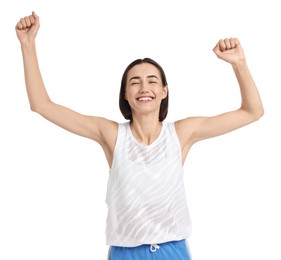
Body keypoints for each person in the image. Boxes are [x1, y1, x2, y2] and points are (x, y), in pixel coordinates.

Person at [15, 11, 264, 260]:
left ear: (164, 91)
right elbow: (42, 105)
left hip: (172, 251)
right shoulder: (111, 134)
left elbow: (252, 112)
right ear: (125, 93)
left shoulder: (182, 133)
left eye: (152, 81)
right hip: (125, 253)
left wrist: (239, 63)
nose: (144, 87)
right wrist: (28, 44)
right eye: (135, 82)